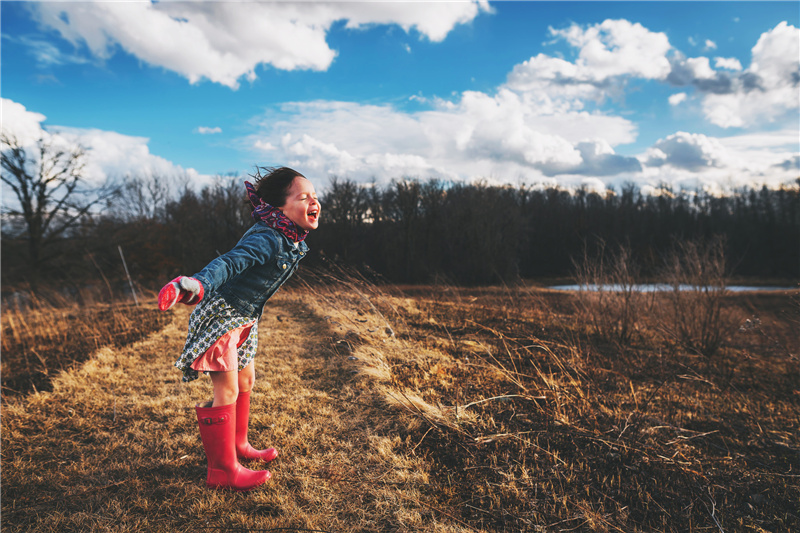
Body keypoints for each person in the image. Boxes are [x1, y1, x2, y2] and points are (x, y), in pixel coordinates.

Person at [157, 167, 321, 491]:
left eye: (315, 196)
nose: (314, 201)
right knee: (227, 391)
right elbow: (232, 262)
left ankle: (238, 444)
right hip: (223, 316)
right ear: (279, 208)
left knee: (246, 380)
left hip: (244, 318)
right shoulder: (267, 237)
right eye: (304, 197)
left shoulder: (288, 236)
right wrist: (197, 284)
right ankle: (222, 470)